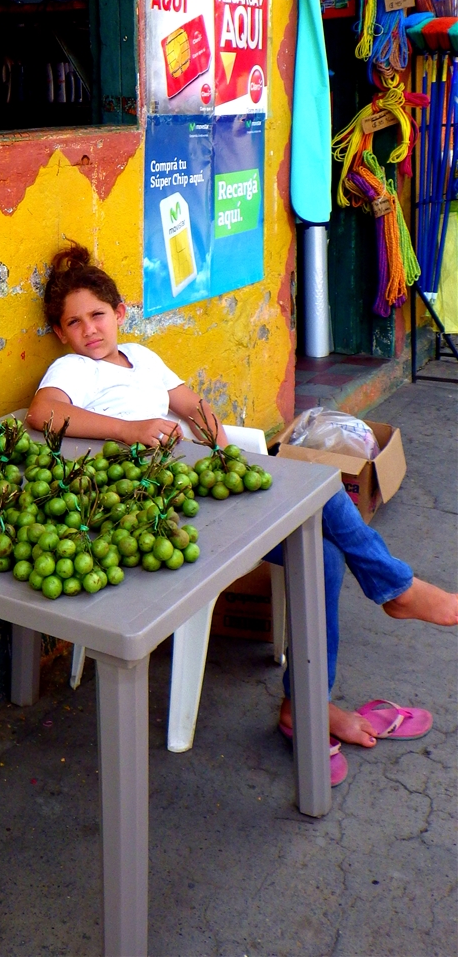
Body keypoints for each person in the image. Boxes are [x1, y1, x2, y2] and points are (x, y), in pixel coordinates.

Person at [27, 243, 458, 766]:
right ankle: (396, 587)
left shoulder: (141, 356)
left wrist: (226, 453)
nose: (89, 330)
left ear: (119, 314)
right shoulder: (74, 371)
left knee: (320, 557)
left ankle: (306, 705)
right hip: (164, 514)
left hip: (204, 483)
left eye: (97, 315)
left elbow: (192, 404)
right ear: (61, 334)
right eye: (73, 323)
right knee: (321, 491)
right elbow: (44, 415)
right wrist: (132, 430)